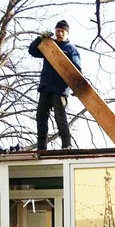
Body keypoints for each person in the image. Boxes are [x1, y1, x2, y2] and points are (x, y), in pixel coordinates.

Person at [28, 20, 81, 150]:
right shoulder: (49, 46)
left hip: (60, 89)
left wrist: (77, 87)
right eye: (58, 31)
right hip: (46, 88)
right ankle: (41, 147)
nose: (60, 34)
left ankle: (66, 145)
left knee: (60, 117)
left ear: (67, 33)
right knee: (41, 117)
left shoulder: (71, 50)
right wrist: (40, 38)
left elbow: (77, 70)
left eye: (62, 31)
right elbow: (32, 51)